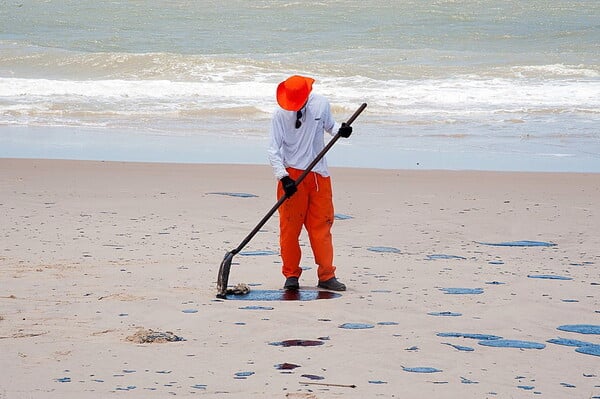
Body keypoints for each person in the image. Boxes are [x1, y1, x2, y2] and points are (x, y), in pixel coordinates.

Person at [267, 75, 352, 291]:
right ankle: (291, 275)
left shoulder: (321, 104)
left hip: (318, 175)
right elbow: (273, 150)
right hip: (291, 176)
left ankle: (326, 276)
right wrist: (283, 176)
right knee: (289, 229)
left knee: (321, 227)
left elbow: (330, 126)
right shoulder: (279, 114)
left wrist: (340, 132)